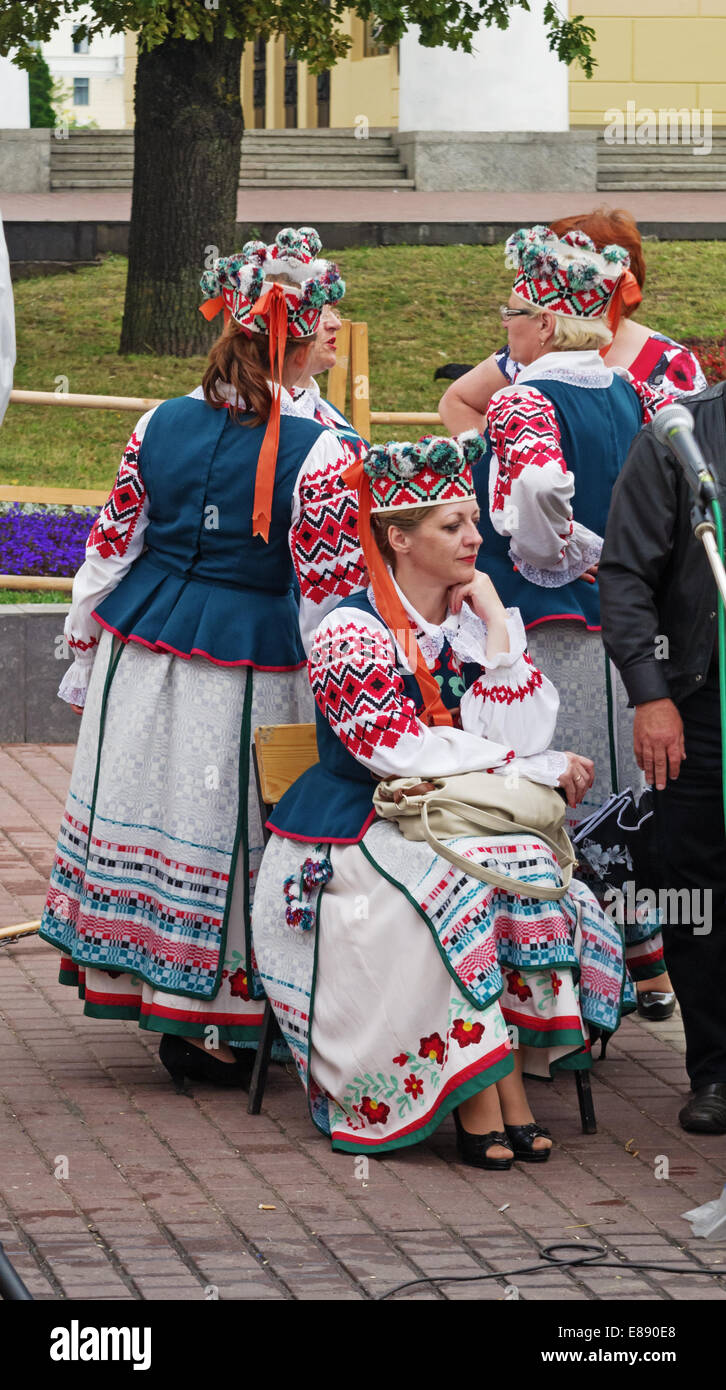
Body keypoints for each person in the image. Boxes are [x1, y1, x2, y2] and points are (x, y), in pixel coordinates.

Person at [251, 435, 633, 1164]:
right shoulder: (349, 632)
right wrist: (525, 771)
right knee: (449, 892)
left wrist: (497, 630)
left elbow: (517, 729)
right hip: (353, 829)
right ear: (397, 538)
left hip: (442, 814)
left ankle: (498, 1085)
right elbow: (395, 751)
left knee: (530, 872)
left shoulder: (462, 625)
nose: (474, 536)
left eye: (471, 519)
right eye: (451, 524)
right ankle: (479, 1093)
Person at [39, 226, 352, 1088]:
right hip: (253, 662)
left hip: (147, 652)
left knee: (166, 813)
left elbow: (111, 546)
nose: (335, 331)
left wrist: (86, 639)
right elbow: (328, 594)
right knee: (241, 824)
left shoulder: (160, 419)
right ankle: (225, 1016)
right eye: (324, 317)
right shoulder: (324, 451)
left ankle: (169, 995)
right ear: (293, 331)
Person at [464, 225, 676, 1019]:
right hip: (631, 628)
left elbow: (535, 511)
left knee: (559, 786)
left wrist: (582, 552)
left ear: (548, 323)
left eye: (514, 311)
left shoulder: (524, 398)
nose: (506, 326)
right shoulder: (636, 392)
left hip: (550, 620)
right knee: (623, 785)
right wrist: (628, 562)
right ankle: (643, 961)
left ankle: (569, 974)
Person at [599, 380, 726, 1133]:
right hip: (701, 705)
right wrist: (652, 694)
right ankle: (714, 1070)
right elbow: (626, 576)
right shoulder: (679, 441)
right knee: (700, 887)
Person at [438, 207, 706, 435]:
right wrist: (498, 470)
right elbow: (457, 401)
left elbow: (698, 452)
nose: (548, 274)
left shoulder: (671, 363)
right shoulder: (532, 349)